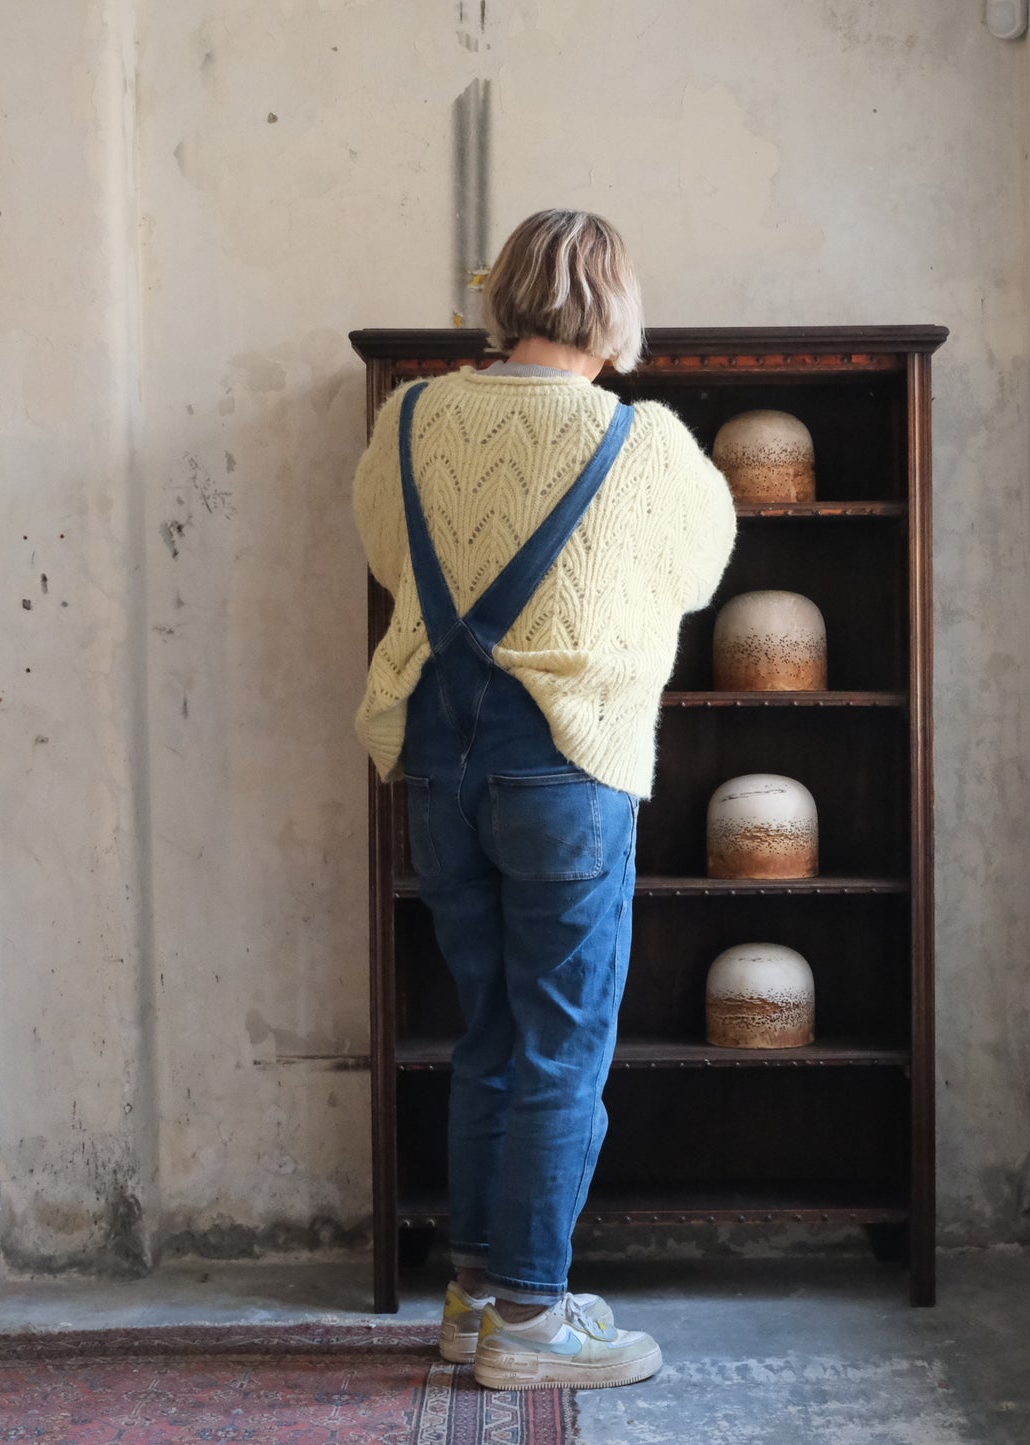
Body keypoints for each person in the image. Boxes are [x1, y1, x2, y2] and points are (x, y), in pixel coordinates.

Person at [352, 209, 736, 1390]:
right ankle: (531, 1314)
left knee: (489, 1033)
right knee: (564, 1043)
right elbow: (698, 575)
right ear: (614, 308)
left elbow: (383, 549)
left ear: (502, 293)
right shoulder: (644, 441)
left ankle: (473, 1295)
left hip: (436, 757)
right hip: (567, 762)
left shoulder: (409, 413)